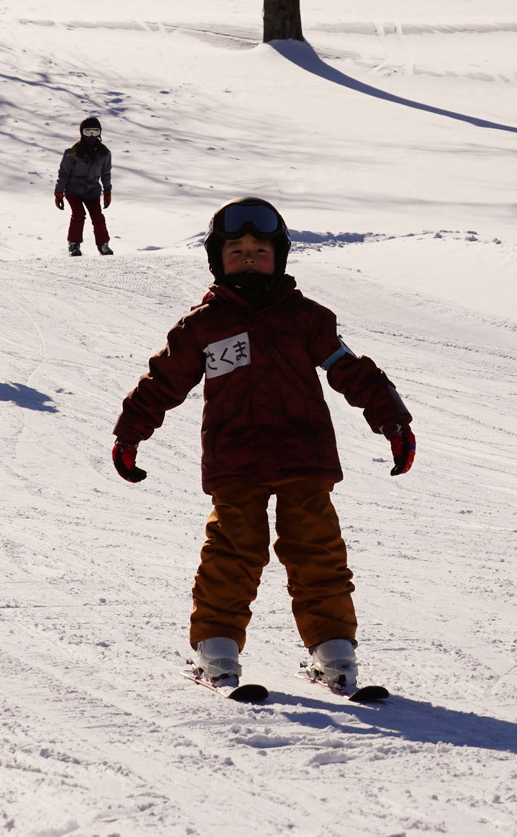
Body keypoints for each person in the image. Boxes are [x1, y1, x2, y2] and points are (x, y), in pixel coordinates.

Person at [110, 196, 416, 693]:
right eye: (236, 252)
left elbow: (350, 371)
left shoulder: (306, 319)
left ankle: (335, 650)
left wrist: (393, 421)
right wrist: (130, 433)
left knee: (318, 551)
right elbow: (162, 382)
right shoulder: (201, 327)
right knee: (233, 552)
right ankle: (217, 650)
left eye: (259, 250)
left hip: (304, 455)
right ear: (217, 260)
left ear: (279, 256)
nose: (248, 259)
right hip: (237, 461)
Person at [55, 116, 114, 256]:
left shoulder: (104, 153)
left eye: (95, 132)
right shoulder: (72, 153)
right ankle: (74, 245)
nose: (91, 136)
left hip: (92, 189)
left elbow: (106, 173)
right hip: (73, 189)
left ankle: (103, 244)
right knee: (79, 214)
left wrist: (107, 191)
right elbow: (63, 173)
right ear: (82, 133)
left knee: (97, 216)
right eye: (88, 132)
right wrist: (59, 193)